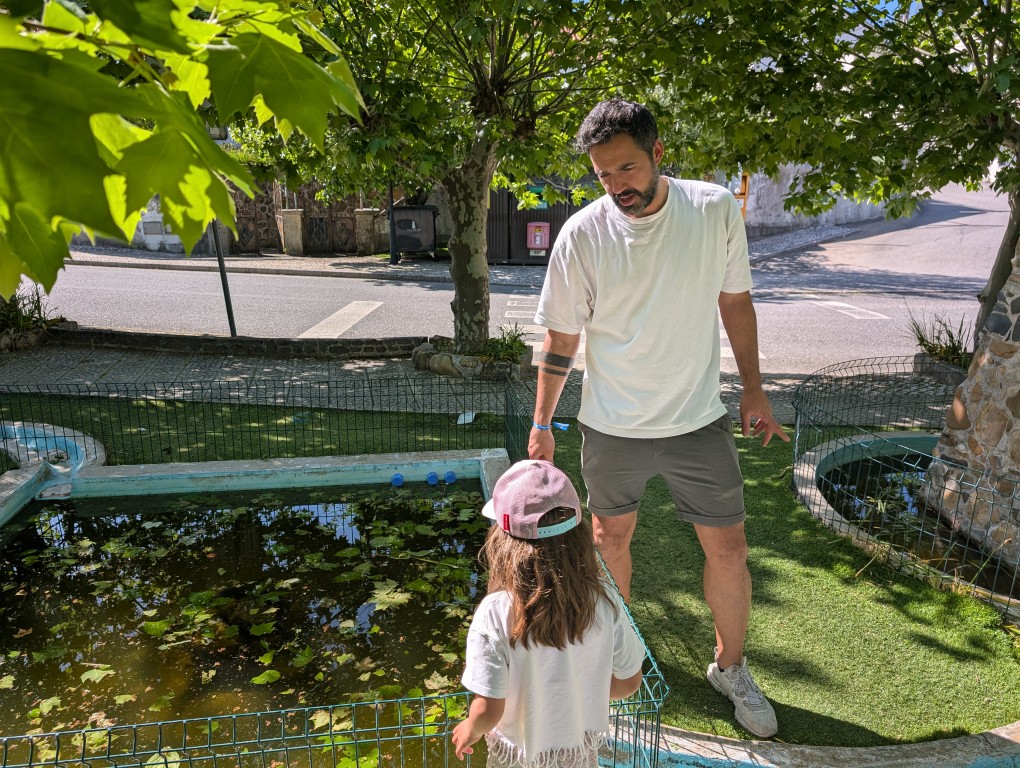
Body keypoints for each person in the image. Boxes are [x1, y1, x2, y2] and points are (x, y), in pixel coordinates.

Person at [528, 97, 790, 739]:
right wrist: (541, 425)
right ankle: (613, 662)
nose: (616, 185)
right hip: (611, 425)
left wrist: (754, 390)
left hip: (698, 420)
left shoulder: (713, 209)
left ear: (658, 153)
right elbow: (561, 339)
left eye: (626, 168)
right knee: (608, 543)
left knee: (729, 548)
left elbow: (736, 302)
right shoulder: (582, 235)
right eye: (603, 175)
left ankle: (730, 668)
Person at [451, 459, 644, 767]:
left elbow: (488, 710)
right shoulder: (604, 599)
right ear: (578, 536)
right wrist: (580, 695)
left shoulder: (495, 613)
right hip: (578, 755)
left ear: (504, 542)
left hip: (518, 756)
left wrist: (469, 729)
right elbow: (629, 681)